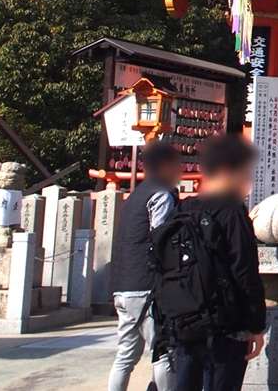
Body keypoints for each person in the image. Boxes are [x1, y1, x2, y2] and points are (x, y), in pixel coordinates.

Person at [167, 134, 266, 391]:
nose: (248, 179)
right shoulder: (232, 212)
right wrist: (256, 325)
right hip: (224, 324)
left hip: (185, 320)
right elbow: (244, 271)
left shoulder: (183, 209)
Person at [108, 140, 180, 391]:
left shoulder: (135, 195)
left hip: (122, 286)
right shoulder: (160, 194)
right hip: (147, 287)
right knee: (163, 351)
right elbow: (162, 238)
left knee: (125, 355)